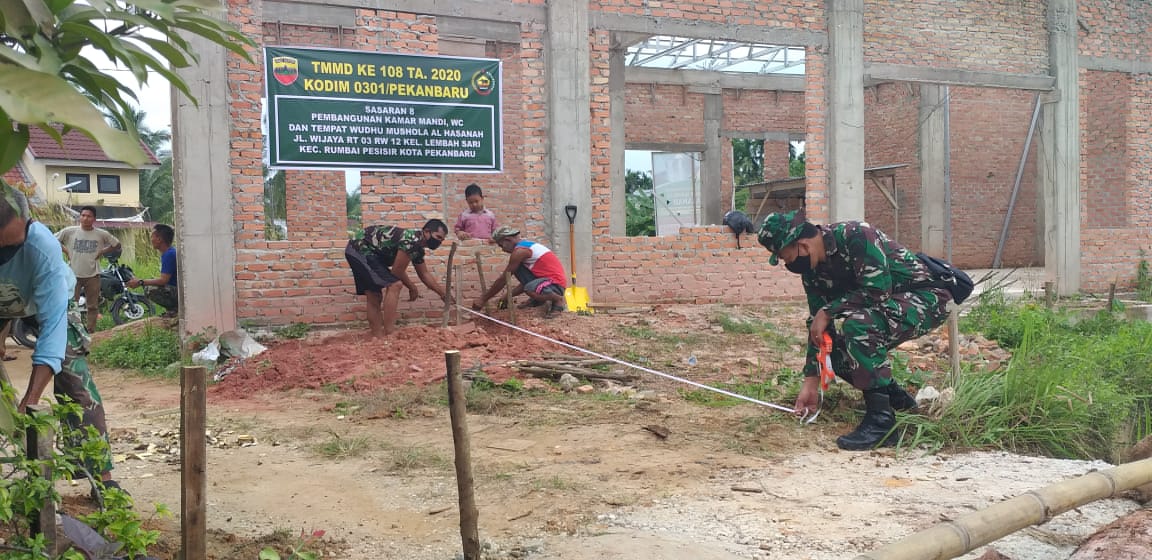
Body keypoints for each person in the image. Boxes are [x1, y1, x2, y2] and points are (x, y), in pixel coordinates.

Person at [757, 209, 952, 451]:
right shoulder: (813, 269)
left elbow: (878, 291)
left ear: (802, 245)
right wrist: (810, 382)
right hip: (888, 307)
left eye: (786, 258)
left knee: (858, 325)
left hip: (927, 298)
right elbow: (817, 325)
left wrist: (828, 311)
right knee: (833, 352)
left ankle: (882, 424)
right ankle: (894, 399)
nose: (788, 264)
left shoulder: (856, 236)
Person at [0, 185, 123, 495]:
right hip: (5, 301)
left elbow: (52, 334)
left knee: (74, 382)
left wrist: (31, 401)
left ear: (28, 224)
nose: (7, 252)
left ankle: (103, 480)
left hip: (48, 305)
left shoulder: (43, 250)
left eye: (12, 245)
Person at [345, 219, 451, 337]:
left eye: (442, 239)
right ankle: (390, 334)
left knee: (374, 295)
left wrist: (443, 295)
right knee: (395, 285)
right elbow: (397, 272)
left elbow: (424, 274)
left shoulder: (418, 249)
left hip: (366, 252)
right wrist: (412, 287)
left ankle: (378, 338)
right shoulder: (411, 241)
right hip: (359, 248)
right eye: (438, 237)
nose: (439, 242)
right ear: (426, 231)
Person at [472, 226, 567, 316]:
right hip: (545, 281)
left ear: (507, 240)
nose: (502, 250)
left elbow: (504, 279)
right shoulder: (524, 247)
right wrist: (507, 296)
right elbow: (524, 282)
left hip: (556, 283)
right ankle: (537, 300)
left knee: (529, 288)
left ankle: (558, 301)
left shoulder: (520, 251)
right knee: (518, 270)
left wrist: (483, 299)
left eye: (501, 245)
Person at [55, 206, 121, 332]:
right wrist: (66, 250)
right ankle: (72, 330)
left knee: (92, 306)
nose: (85, 218)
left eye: (88, 216)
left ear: (94, 219)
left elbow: (117, 244)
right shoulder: (69, 231)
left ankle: (91, 331)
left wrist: (102, 251)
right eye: (83, 215)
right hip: (73, 275)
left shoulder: (101, 234)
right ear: (80, 217)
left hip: (93, 275)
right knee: (71, 305)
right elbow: (52, 239)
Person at [127, 224, 177, 317]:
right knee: (150, 284)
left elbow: (163, 280)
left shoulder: (169, 255)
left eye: (152, 236)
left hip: (177, 292)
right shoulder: (169, 252)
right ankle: (172, 310)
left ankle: (175, 309)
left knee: (150, 289)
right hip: (174, 289)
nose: (151, 240)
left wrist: (140, 282)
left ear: (159, 239)